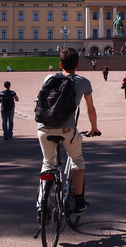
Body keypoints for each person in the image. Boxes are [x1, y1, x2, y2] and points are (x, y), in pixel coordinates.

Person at [37, 47, 100, 217]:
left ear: (60, 64)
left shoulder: (48, 78)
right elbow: (90, 109)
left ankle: (42, 205)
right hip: (66, 129)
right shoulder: (83, 82)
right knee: (77, 161)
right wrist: (94, 128)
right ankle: (79, 202)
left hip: (43, 127)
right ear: (77, 65)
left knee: (48, 163)